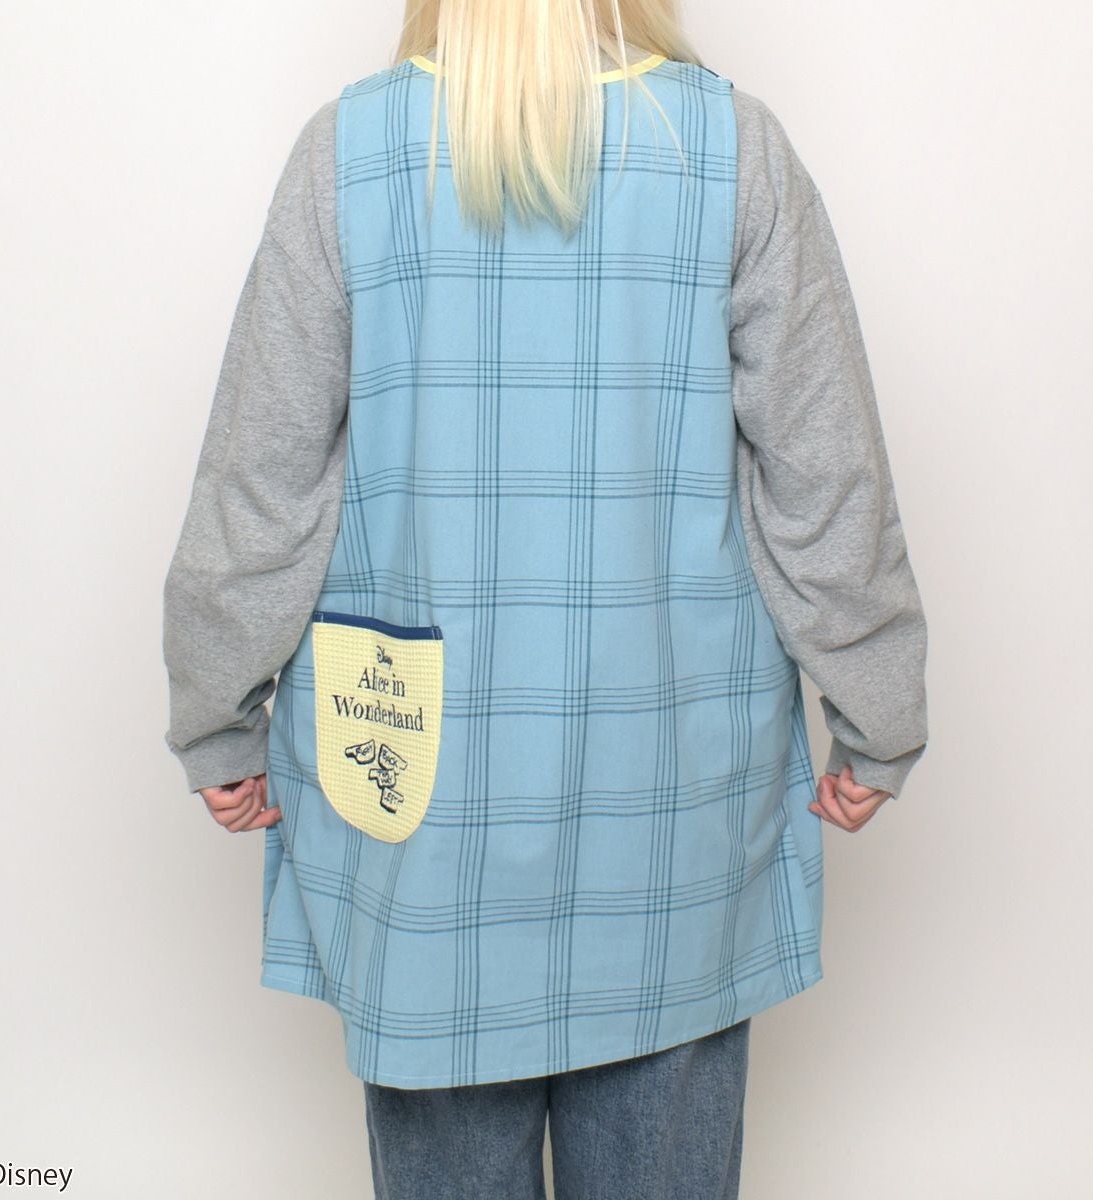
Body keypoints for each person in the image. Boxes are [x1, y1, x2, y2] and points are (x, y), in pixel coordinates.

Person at [162, 2, 929, 1195]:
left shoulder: (349, 153)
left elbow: (261, 480)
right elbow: (826, 478)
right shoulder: (730, 149)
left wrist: (217, 711)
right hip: (671, 795)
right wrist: (879, 714)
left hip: (421, 800)